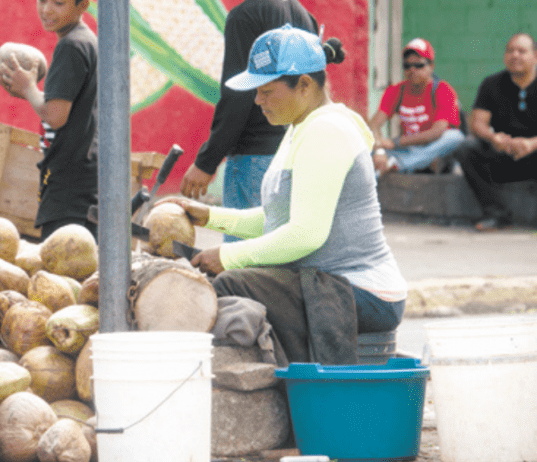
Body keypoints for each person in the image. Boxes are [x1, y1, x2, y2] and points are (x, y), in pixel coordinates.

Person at [160, 25, 408, 365]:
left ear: (304, 85)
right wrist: (210, 216)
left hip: (363, 293)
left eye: (266, 91)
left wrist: (229, 257)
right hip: (327, 283)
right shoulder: (300, 128)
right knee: (225, 281)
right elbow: (278, 219)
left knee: (229, 284)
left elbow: (305, 234)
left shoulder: (326, 131)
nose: (258, 101)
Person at [181, 0, 319, 243]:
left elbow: (239, 97)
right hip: (292, 153)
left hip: (253, 160)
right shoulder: (303, 14)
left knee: (244, 260)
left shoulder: (244, 17)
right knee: (278, 250)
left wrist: (206, 161)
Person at [0, 0, 98, 240]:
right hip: (86, 184)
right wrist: (29, 89)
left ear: (82, 6)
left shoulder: (70, 47)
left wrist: (28, 88)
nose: (47, 9)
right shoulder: (87, 41)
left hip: (70, 190)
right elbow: (65, 106)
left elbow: (55, 115)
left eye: (59, 2)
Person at [453, 33, 537, 231]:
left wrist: (532, 144)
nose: (514, 55)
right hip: (502, 155)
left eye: (521, 51)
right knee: (466, 148)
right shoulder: (492, 84)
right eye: (510, 51)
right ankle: (496, 213)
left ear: (535, 56)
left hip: (534, 156)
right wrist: (493, 137)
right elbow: (477, 123)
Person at [369, 38, 465, 175]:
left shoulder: (444, 90)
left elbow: (437, 131)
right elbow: (374, 125)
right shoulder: (396, 90)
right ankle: (395, 165)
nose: (412, 70)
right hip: (408, 148)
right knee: (365, 149)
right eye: (407, 66)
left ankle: (400, 164)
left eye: (419, 65)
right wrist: (379, 150)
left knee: (455, 137)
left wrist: (395, 142)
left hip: (434, 146)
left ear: (431, 66)